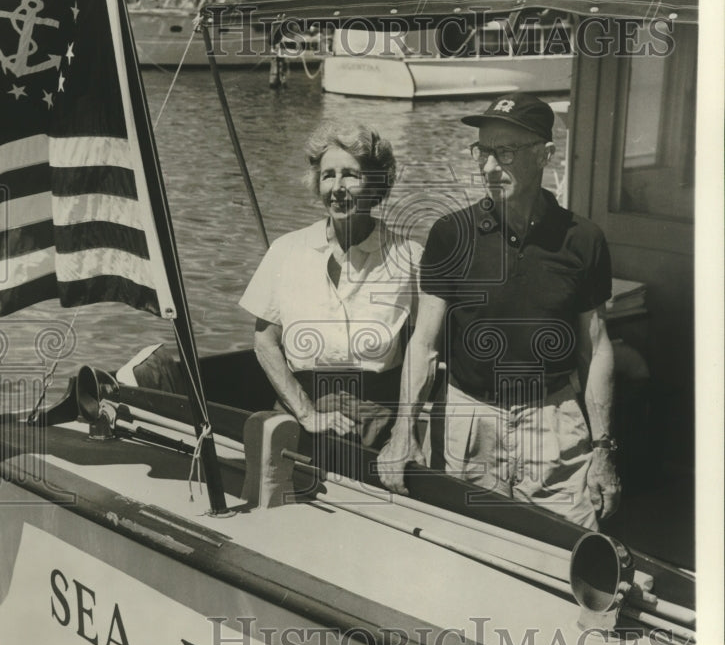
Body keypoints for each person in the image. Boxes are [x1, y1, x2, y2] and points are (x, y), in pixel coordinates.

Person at [378, 93, 620, 529]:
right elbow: (425, 343)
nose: (489, 168)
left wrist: (602, 448)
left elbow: (596, 348)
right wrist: (403, 431)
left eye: (505, 152)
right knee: (463, 554)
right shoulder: (451, 234)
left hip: (554, 425)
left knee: (573, 557)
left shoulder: (584, 239)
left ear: (545, 155)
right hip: (469, 421)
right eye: (483, 151)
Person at [239, 122, 422, 449]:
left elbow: (422, 351)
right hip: (298, 414)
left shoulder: (409, 258)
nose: (337, 187)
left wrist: (406, 432)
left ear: (377, 183)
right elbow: (264, 341)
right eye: (328, 175)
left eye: (350, 174)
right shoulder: (286, 250)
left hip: (376, 421)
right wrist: (307, 413)